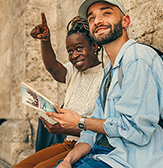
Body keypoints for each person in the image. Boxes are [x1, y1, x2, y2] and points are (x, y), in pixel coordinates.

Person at [46, 0, 163, 168]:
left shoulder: (137, 58)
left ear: (125, 21)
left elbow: (136, 130)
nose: (97, 21)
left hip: (136, 161)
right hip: (106, 155)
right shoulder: (110, 71)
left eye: (106, 13)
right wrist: (68, 160)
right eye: (91, 18)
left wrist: (80, 121)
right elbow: (91, 132)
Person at [13, 14, 104, 168]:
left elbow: (102, 130)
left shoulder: (106, 76)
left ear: (94, 46)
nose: (74, 55)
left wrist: (65, 129)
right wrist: (45, 40)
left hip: (88, 147)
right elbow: (53, 67)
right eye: (70, 51)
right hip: (68, 143)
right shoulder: (74, 72)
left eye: (79, 48)